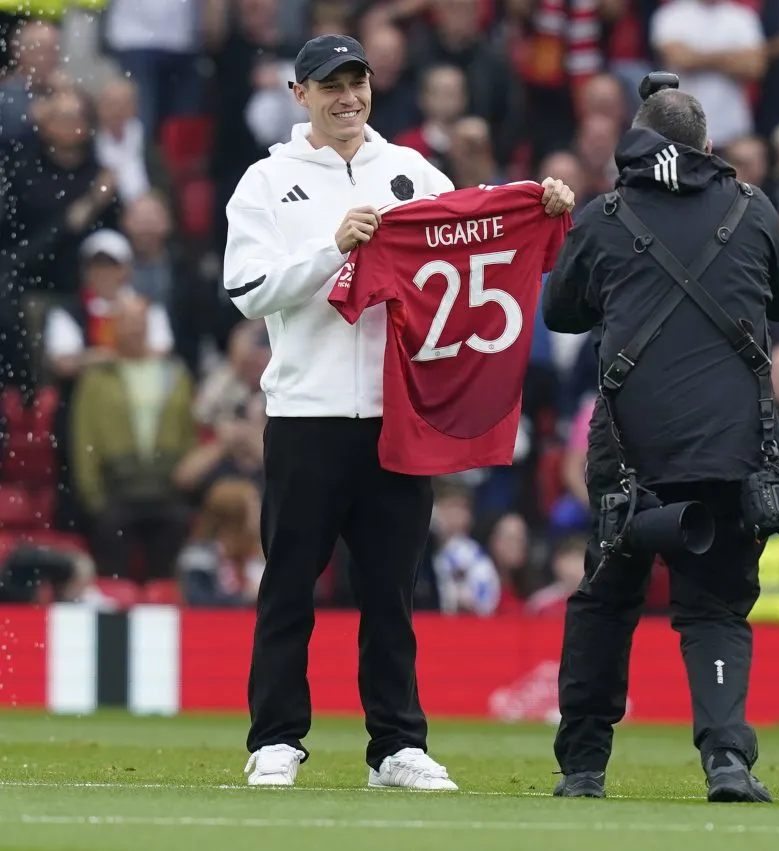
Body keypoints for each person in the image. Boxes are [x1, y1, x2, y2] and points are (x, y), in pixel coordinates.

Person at [222, 33, 574, 789]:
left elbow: (471, 237)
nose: (346, 97)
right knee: (289, 583)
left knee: (393, 590)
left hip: (397, 413)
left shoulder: (411, 170)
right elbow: (249, 290)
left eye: (357, 82)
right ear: (299, 95)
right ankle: (276, 738)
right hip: (307, 413)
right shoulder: (264, 181)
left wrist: (535, 205)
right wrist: (333, 248)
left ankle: (396, 746)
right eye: (330, 85)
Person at [542, 81, 779, 802]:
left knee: (606, 599)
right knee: (715, 608)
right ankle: (727, 761)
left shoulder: (606, 216)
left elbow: (560, 312)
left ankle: (584, 768)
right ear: (709, 147)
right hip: (730, 445)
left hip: (629, 452)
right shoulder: (752, 210)